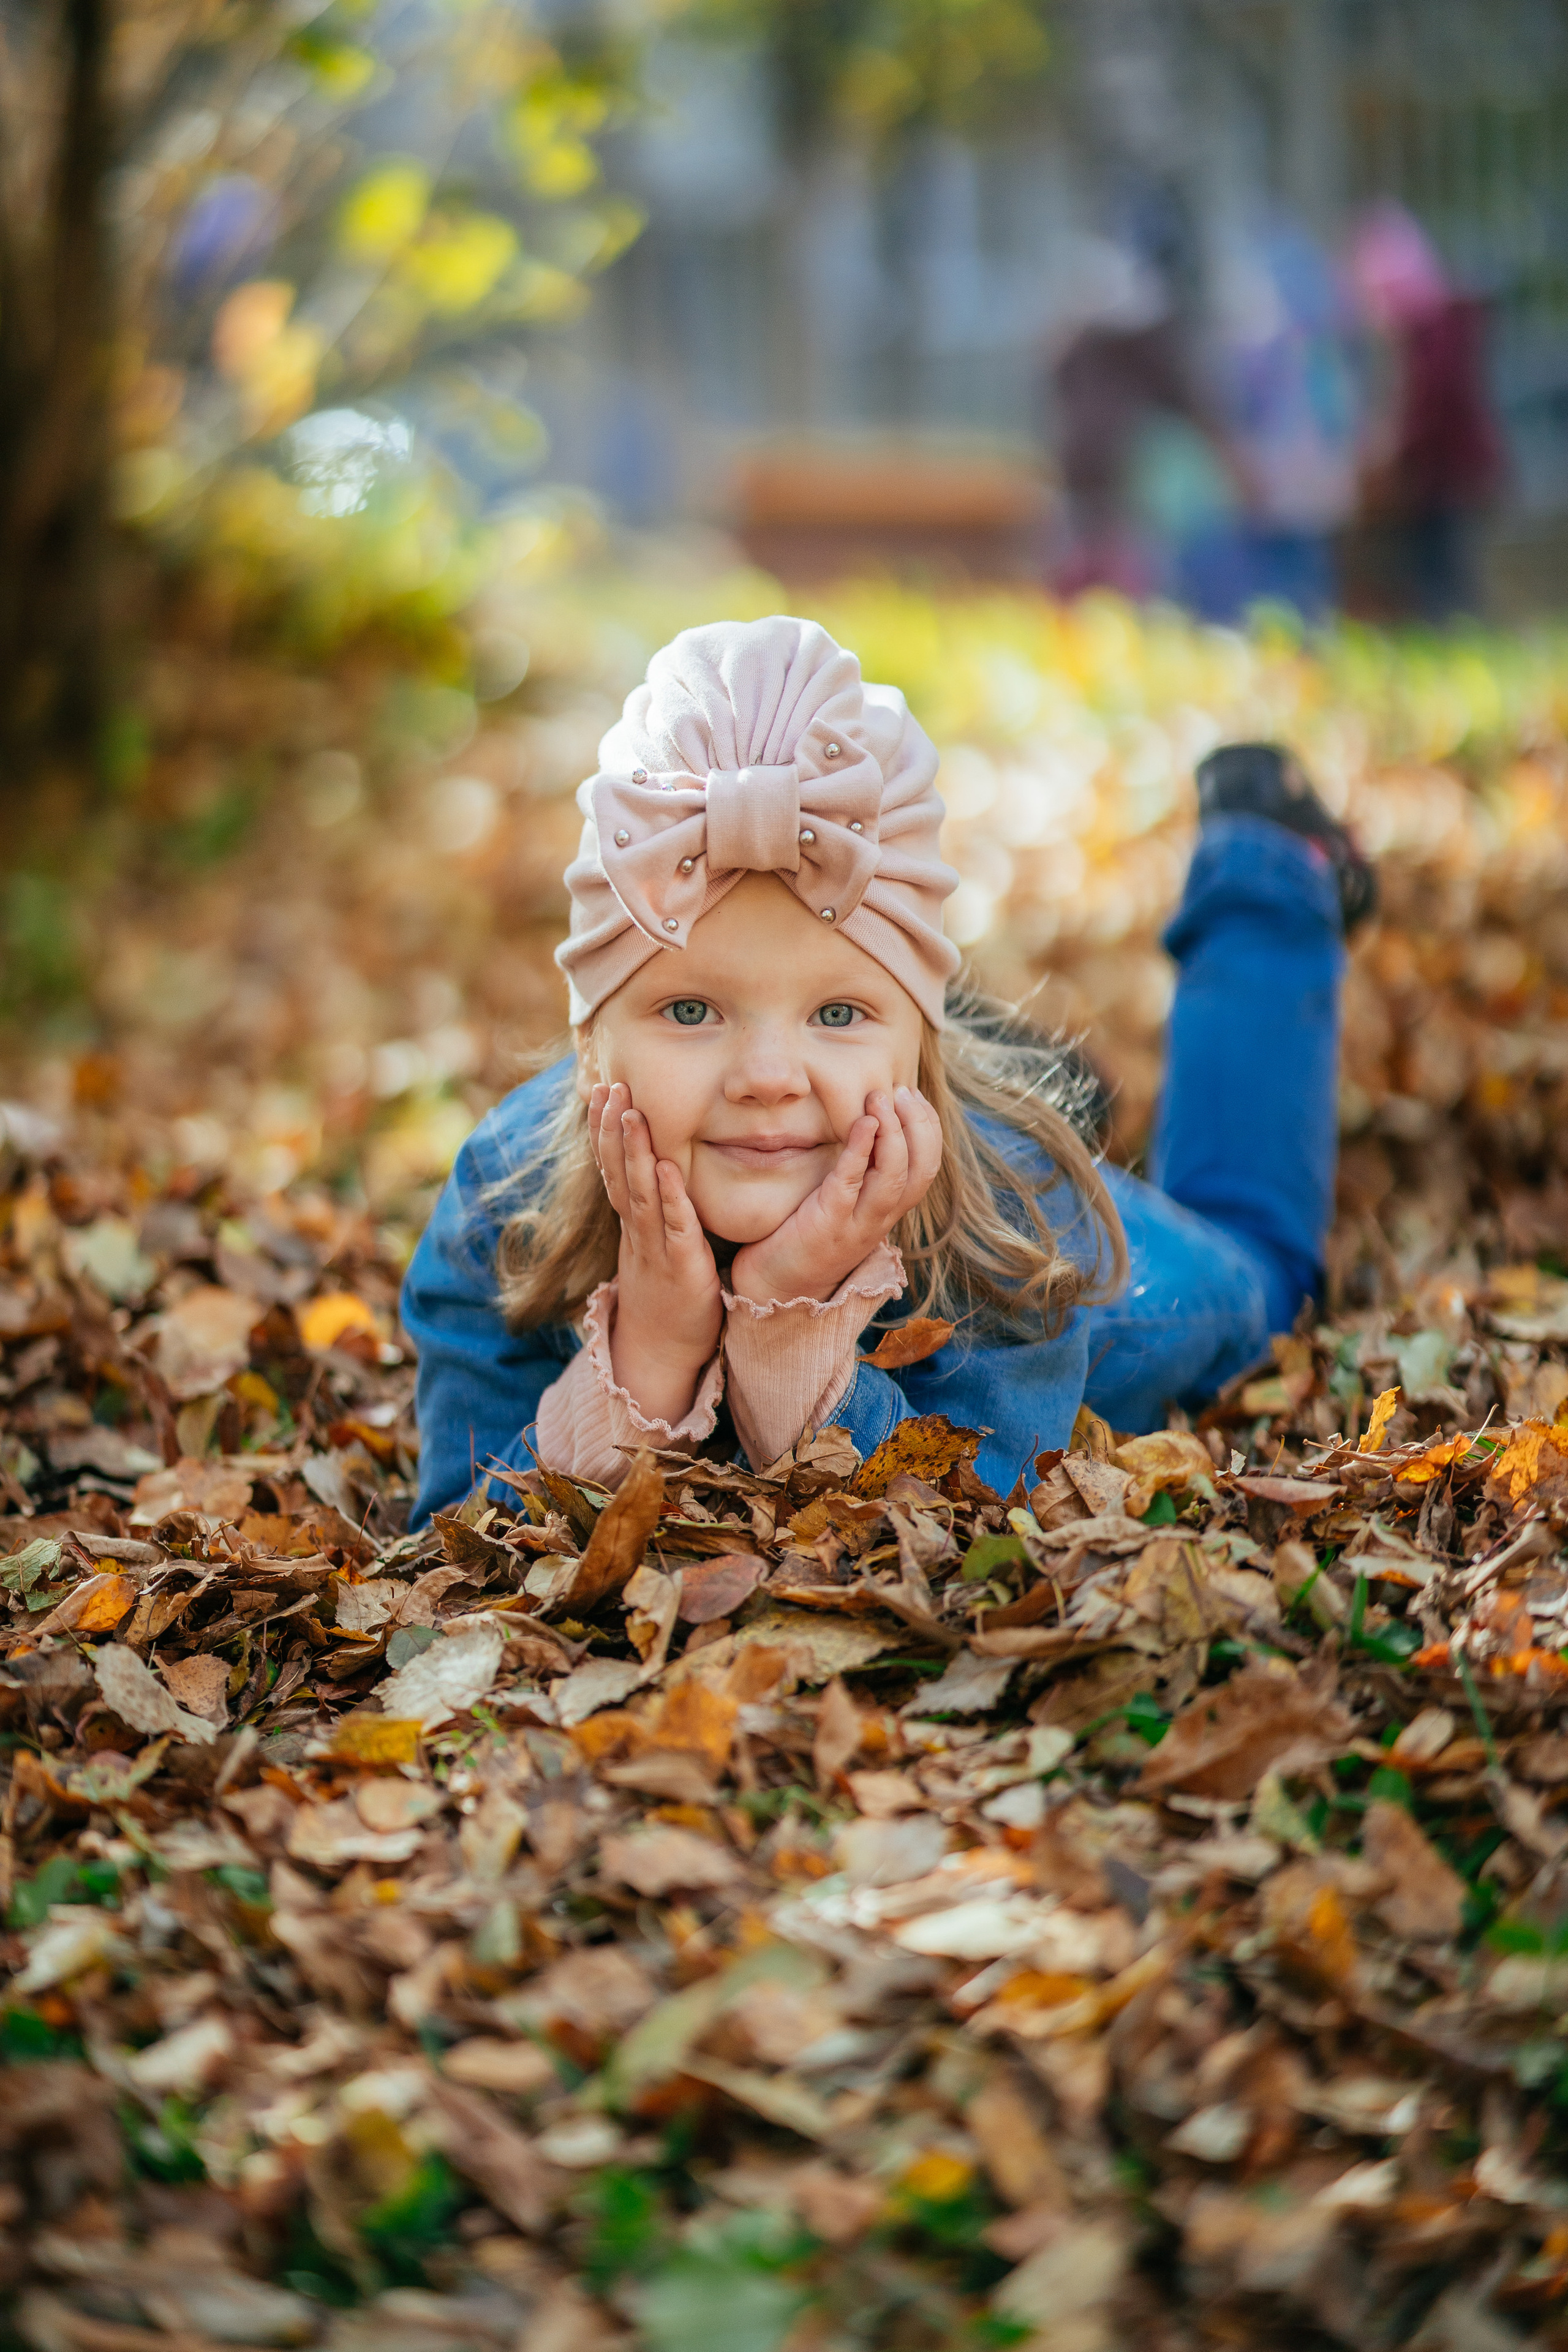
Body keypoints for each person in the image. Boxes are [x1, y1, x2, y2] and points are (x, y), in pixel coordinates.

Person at [403, 617, 1373, 1519]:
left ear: (915, 1045)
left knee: (1262, 1280)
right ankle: (974, 1044)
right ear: (591, 1044)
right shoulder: (507, 1200)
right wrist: (650, 1356)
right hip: (884, 1105)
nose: (769, 1076)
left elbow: (973, 1518)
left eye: (837, 1011)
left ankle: (1270, 871)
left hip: (1075, 1276)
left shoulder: (1016, 1216)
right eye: (691, 1009)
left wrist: (789, 1338)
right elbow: (457, 1534)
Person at [1346, 203, 1505, 624]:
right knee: (1435, 568)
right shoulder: (1425, 332)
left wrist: (1396, 449)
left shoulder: (1437, 330)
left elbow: (1432, 401)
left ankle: (1459, 637)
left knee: (1446, 573)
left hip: (1445, 474)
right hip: (1431, 478)